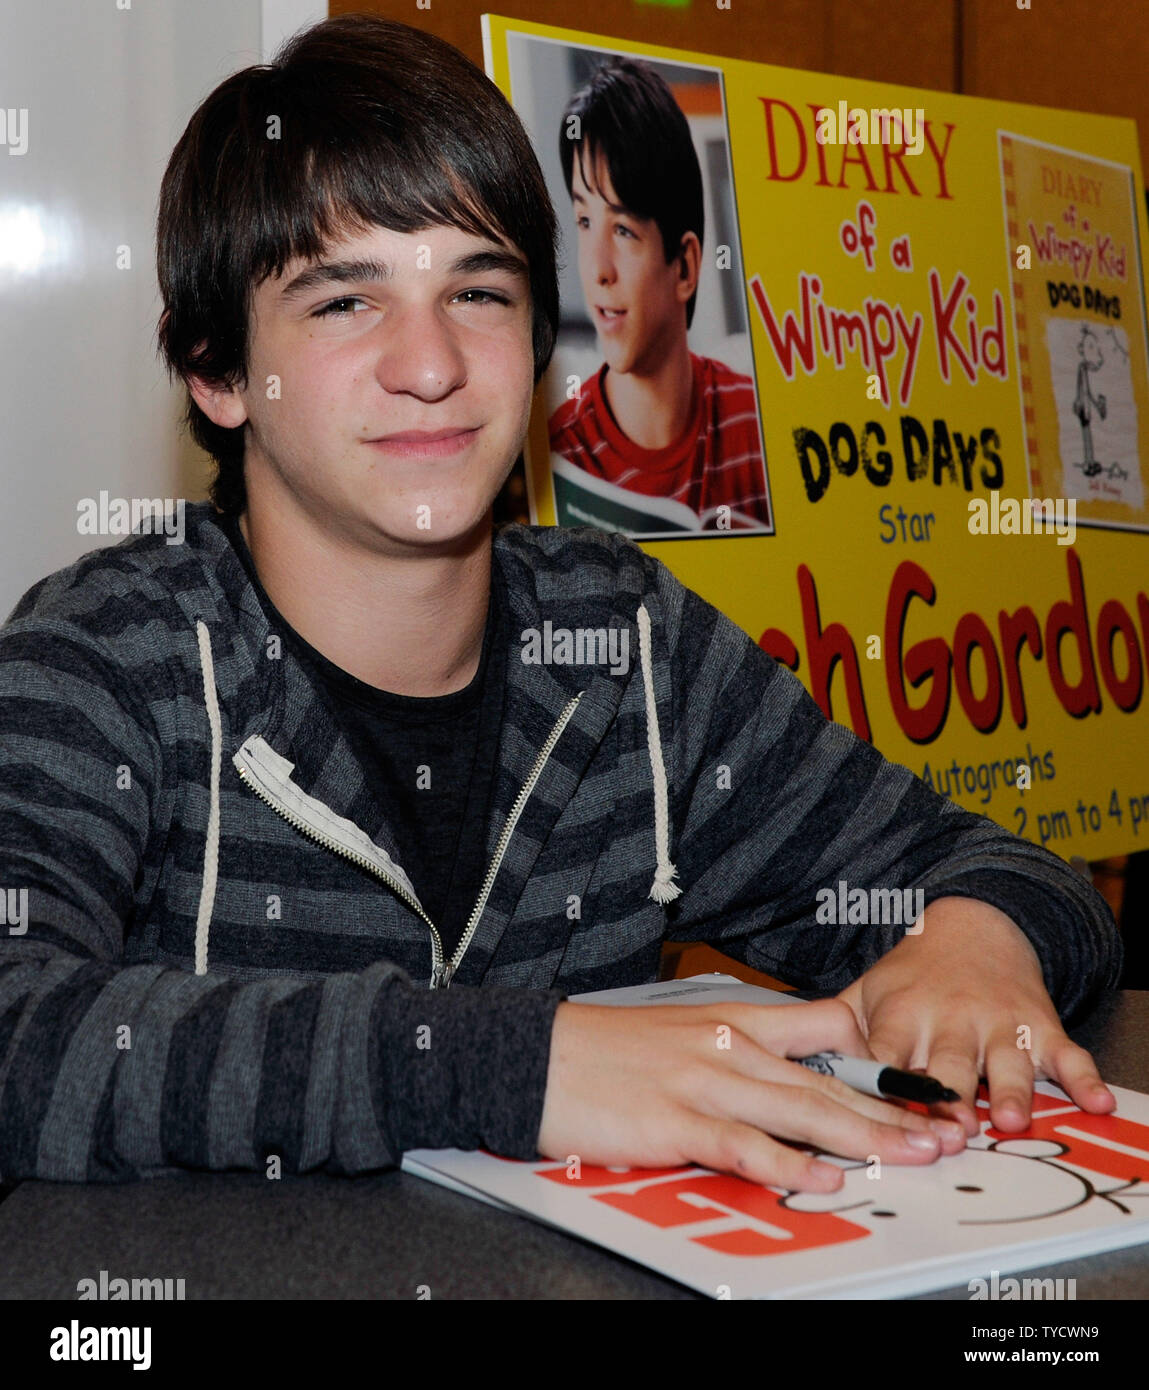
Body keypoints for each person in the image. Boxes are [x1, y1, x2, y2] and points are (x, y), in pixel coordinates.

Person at [0, 15, 1120, 1194]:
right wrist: (513, 1066)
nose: (430, 363)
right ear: (219, 372)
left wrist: (978, 938)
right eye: (344, 302)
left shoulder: (627, 645)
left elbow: (985, 868)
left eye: (478, 290)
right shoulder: (104, 660)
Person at [548, 57, 771, 531]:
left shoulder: (755, 426)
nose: (596, 268)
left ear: (685, 266)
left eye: (625, 230)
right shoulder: (561, 452)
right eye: (585, 221)